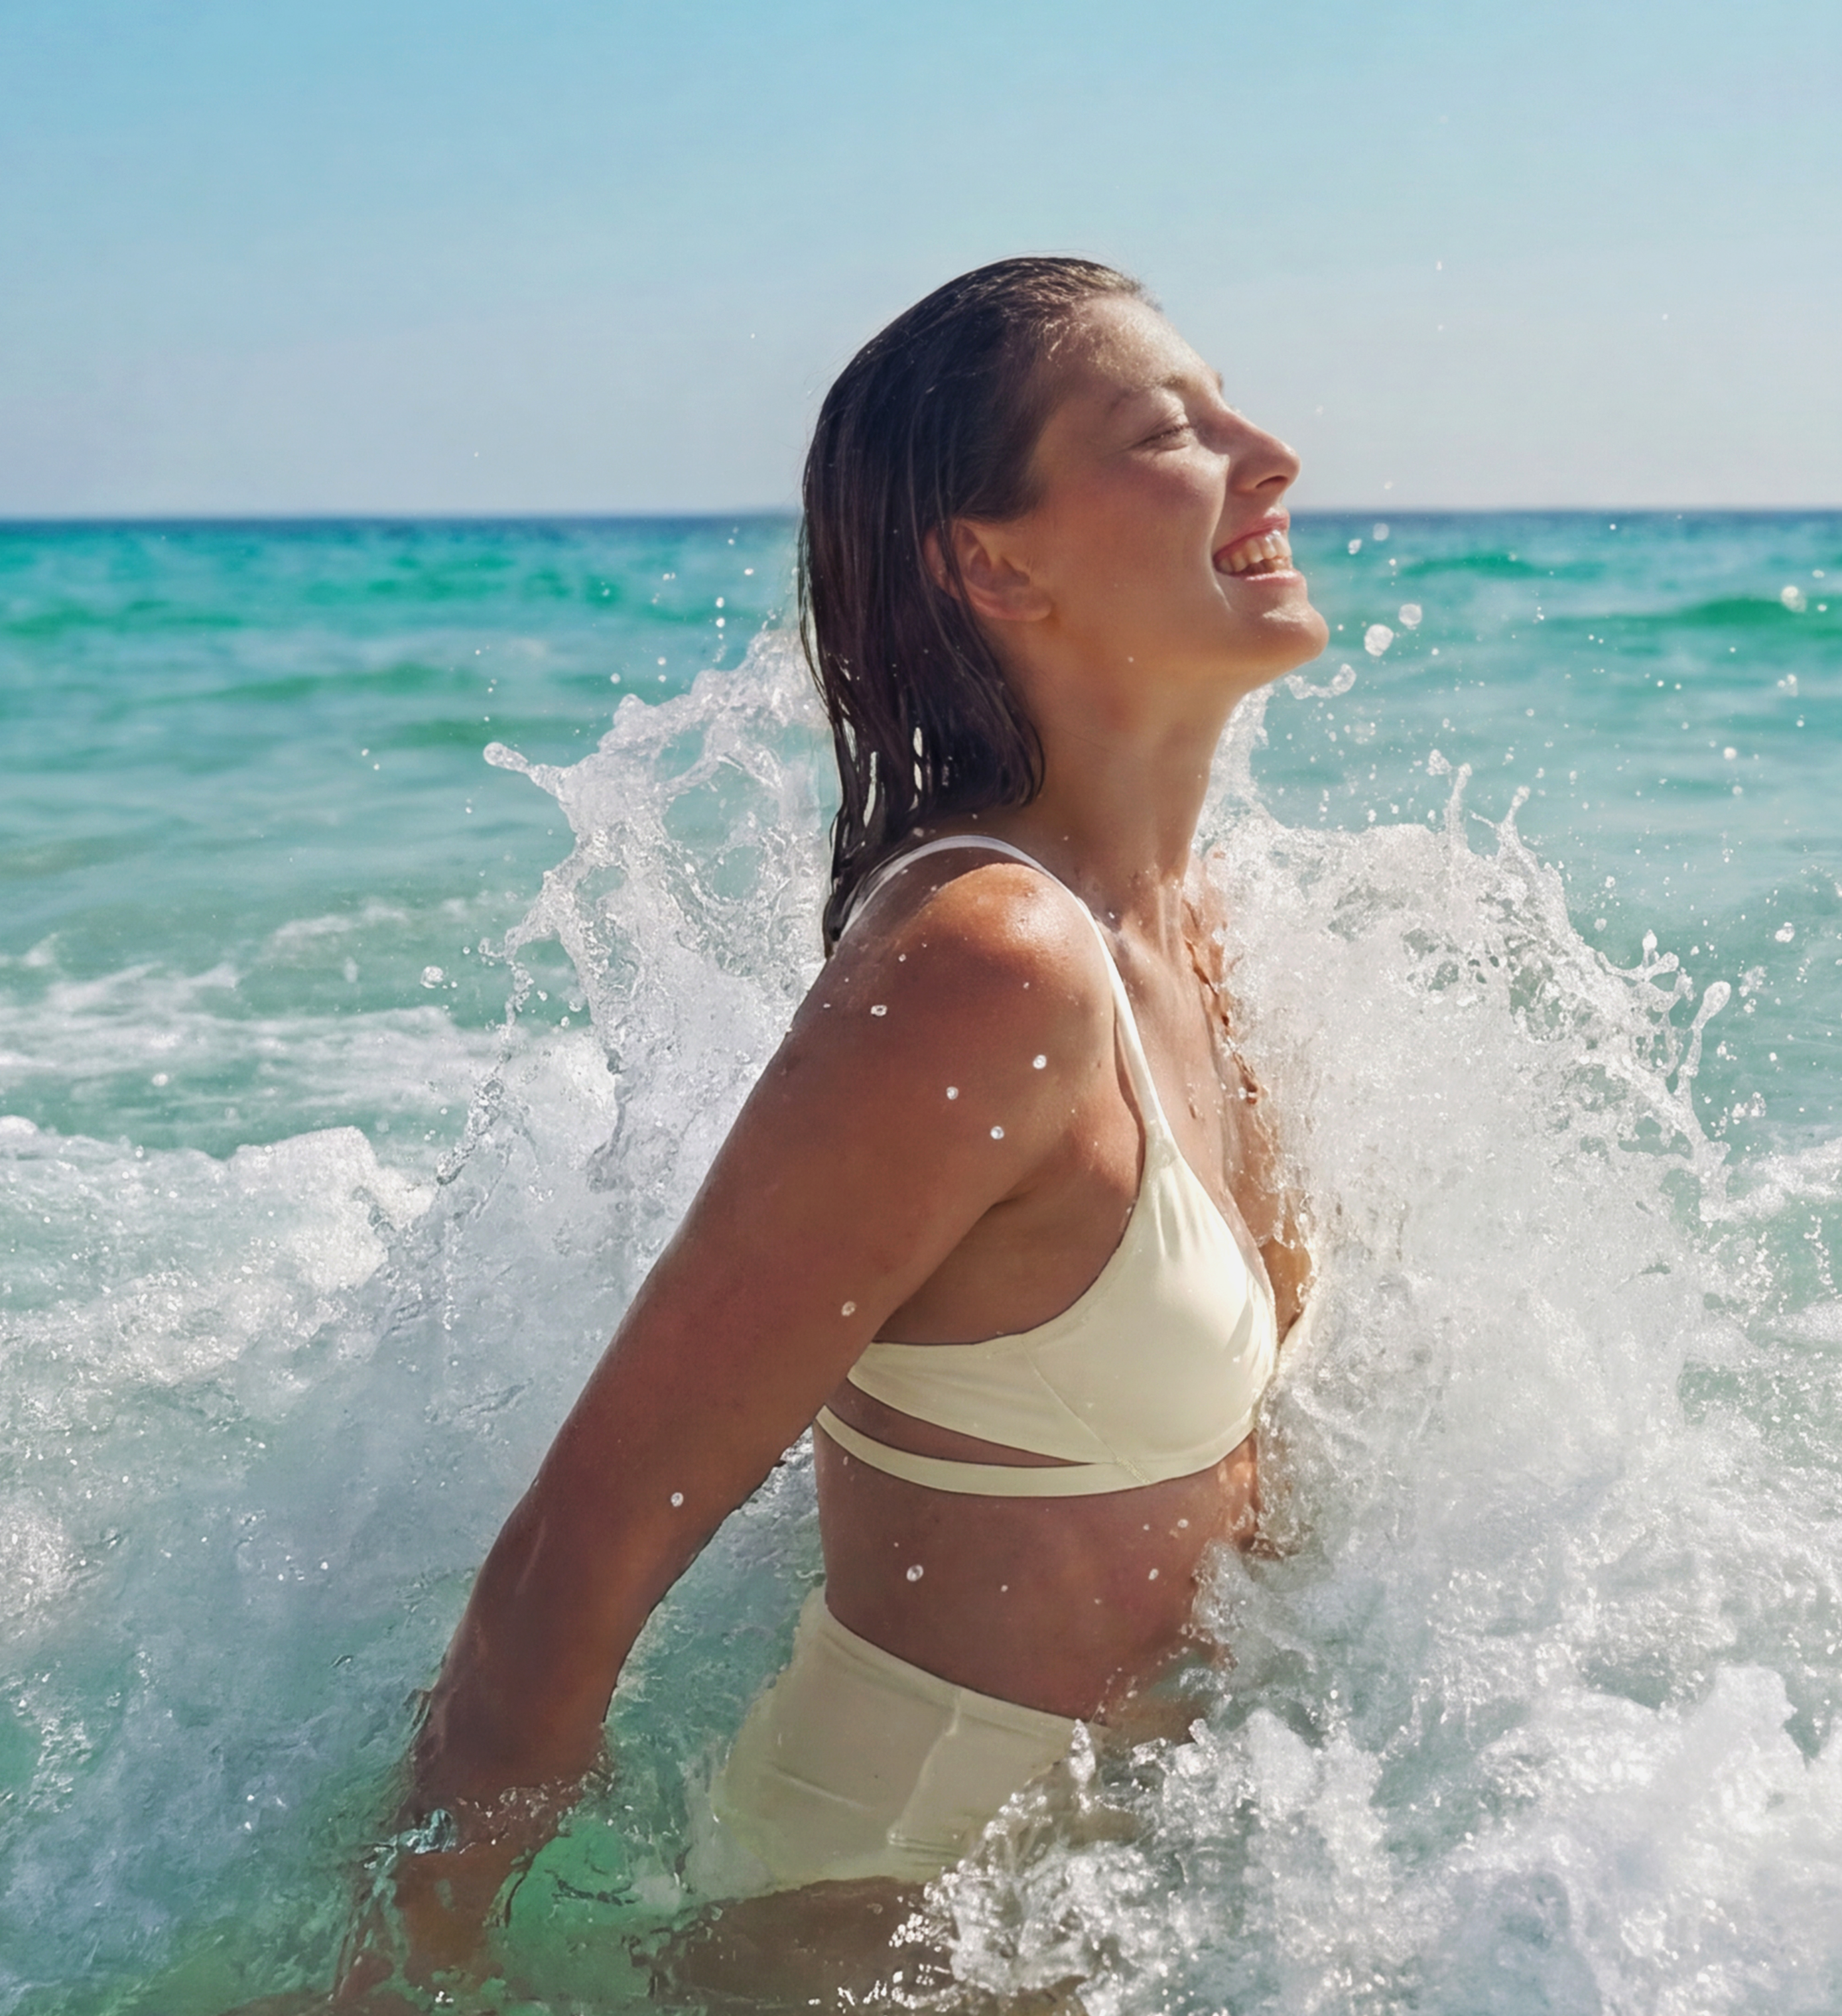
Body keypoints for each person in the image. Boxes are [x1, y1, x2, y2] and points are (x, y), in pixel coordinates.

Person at [342, 255, 1325, 2003]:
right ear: (993, 561)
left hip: (1113, 1926)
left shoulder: (1201, 929)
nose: (1273, 455)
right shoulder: (987, 974)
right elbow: (578, 1559)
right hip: (860, 1941)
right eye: (1174, 427)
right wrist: (398, 1972)